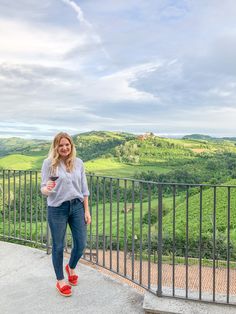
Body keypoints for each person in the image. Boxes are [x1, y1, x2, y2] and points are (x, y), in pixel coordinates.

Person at [41, 132, 91, 297]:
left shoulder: (79, 163)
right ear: (56, 147)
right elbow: (43, 189)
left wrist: (86, 210)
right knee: (58, 246)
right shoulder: (49, 164)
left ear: (71, 146)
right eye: (60, 145)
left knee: (81, 243)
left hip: (77, 207)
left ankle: (71, 266)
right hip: (57, 209)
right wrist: (47, 189)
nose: (64, 148)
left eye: (67, 144)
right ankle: (61, 280)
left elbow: (84, 189)